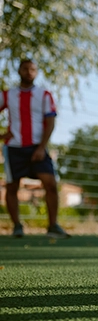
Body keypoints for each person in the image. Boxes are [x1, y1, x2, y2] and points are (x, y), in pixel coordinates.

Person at [1, 58, 71, 238]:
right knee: (12, 186)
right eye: (25, 69)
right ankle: (17, 226)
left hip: (37, 148)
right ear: (19, 71)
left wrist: (42, 147)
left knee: (50, 184)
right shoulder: (8, 95)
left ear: (36, 72)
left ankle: (53, 225)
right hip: (14, 148)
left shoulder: (44, 95)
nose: (29, 72)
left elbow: (50, 122)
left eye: (32, 69)